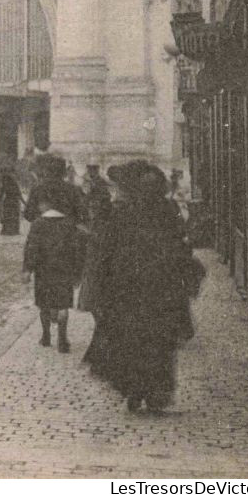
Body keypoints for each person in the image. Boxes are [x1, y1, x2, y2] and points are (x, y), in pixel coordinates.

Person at [90, 161, 197, 413]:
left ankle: (134, 390)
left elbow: (107, 249)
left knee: (132, 339)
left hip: (129, 287)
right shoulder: (167, 208)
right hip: (161, 287)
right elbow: (180, 241)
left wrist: (103, 284)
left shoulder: (124, 210)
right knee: (159, 342)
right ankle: (155, 394)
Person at [23, 204, 86, 351]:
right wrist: (77, 273)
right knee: (63, 304)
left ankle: (46, 336)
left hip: (43, 269)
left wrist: (28, 269)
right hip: (64, 269)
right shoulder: (69, 224)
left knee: (44, 303)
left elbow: (31, 247)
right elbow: (78, 250)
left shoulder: (38, 223)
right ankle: (62, 339)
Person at [0, 170, 24, 236]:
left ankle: (6, 231)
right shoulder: (15, 184)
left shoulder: (5, 184)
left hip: (7, 202)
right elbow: (19, 194)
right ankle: (15, 231)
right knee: (14, 217)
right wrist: (24, 203)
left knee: (7, 217)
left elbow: (1, 194)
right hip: (15, 202)